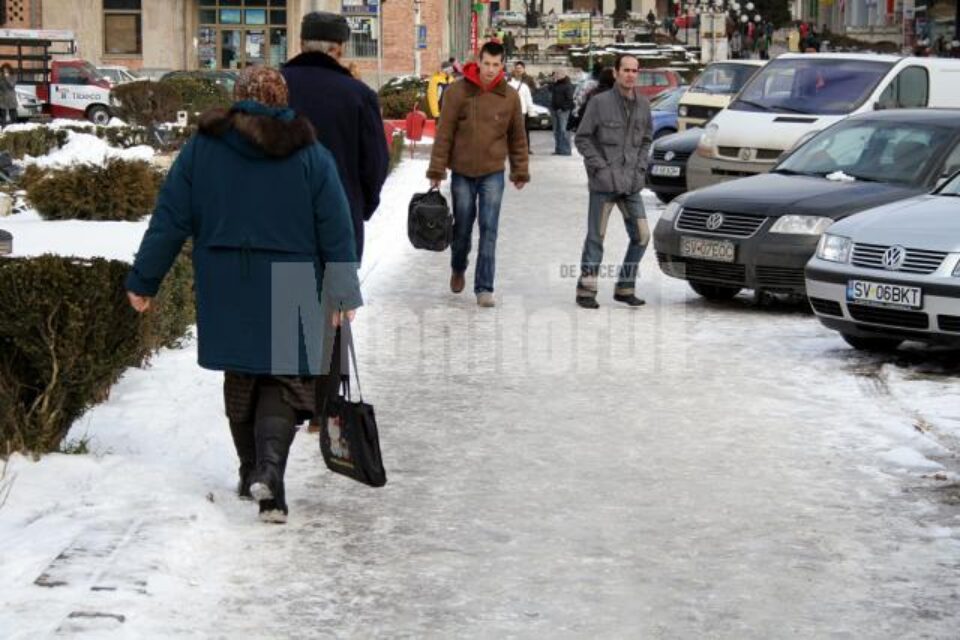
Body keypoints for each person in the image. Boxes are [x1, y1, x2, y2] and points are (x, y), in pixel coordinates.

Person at [125, 67, 362, 524]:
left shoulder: (202, 150)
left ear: (237, 98)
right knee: (284, 379)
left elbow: (170, 218)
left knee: (242, 374)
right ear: (283, 100)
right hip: (294, 276)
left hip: (226, 276)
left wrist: (144, 280)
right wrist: (343, 291)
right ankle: (270, 474)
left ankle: (249, 469)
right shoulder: (311, 154)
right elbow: (336, 229)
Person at [427, 41, 529, 308]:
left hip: (492, 172)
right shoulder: (457, 92)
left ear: (502, 66)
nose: (491, 70)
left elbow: (518, 137)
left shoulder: (509, 96)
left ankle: (484, 287)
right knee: (461, 228)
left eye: (496, 65)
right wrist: (437, 170)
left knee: (489, 228)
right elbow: (444, 133)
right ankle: (458, 266)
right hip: (462, 172)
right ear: (478, 61)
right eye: (487, 64)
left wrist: (519, 170)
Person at [281, 11, 389, 261]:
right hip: (342, 222)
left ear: (301, 44)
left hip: (285, 225)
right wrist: (362, 204)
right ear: (339, 49)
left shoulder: (277, 86)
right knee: (337, 299)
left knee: (293, 298)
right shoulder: (359, 95)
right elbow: (375, 162)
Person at [573, 54, 652, 310]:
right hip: (604, 184)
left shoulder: (644, 104)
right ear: (616, 73)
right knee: (596, 238)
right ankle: (586, 290)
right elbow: (582, 138)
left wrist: (640, 170)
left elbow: (647, 140)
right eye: (626, 70)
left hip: (631, 183)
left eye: (635, 70)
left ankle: (625, 287)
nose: (631, 74)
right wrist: (601, 169)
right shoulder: (599, 103)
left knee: (642, 236)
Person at [509, 61, 536, 153]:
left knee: (524, 130)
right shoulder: (510, 82)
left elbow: (534, 90)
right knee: (520, 130)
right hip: (521, 109)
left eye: (520, 68)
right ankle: (520, 148)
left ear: (524, 69)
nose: (518, 70)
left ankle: (526, 148)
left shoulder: (528, 79)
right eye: (517, 68)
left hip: (523, 109)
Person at [550, 69, 575, 155]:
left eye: (557, 74)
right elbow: (550, 89)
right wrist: (553, 81)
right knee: (556, 131)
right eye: (555, 74)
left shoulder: (568, 85)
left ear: (563, 75)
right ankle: (559, 149)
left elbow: (570, 100)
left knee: (563, 130)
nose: (555, 76)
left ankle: (566, 150)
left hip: (563, 111)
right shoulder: (556, 84)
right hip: (554, 109)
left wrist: (563, 108)